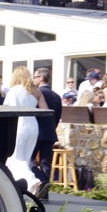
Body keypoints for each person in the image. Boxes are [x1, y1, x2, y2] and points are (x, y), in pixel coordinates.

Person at [3, 66, 47, 194]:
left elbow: (5, 109)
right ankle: (25, 188)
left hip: (18, 124)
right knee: (25, 159)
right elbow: (45, 109)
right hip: (33, 124)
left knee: (15, 158)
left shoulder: (14, 91)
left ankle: (32, 181)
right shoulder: (36, 91)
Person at [31, 67, 61, 197]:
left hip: (36, 132)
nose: (33, 80)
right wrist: (52, 128)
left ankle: (42, 181)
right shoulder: (56, 96)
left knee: (28, 159)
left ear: (41, 78)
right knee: (45, 162)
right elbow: (58, 116)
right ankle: (45, 193)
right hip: (49, 133)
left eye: (35, 77)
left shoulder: (36, 93)